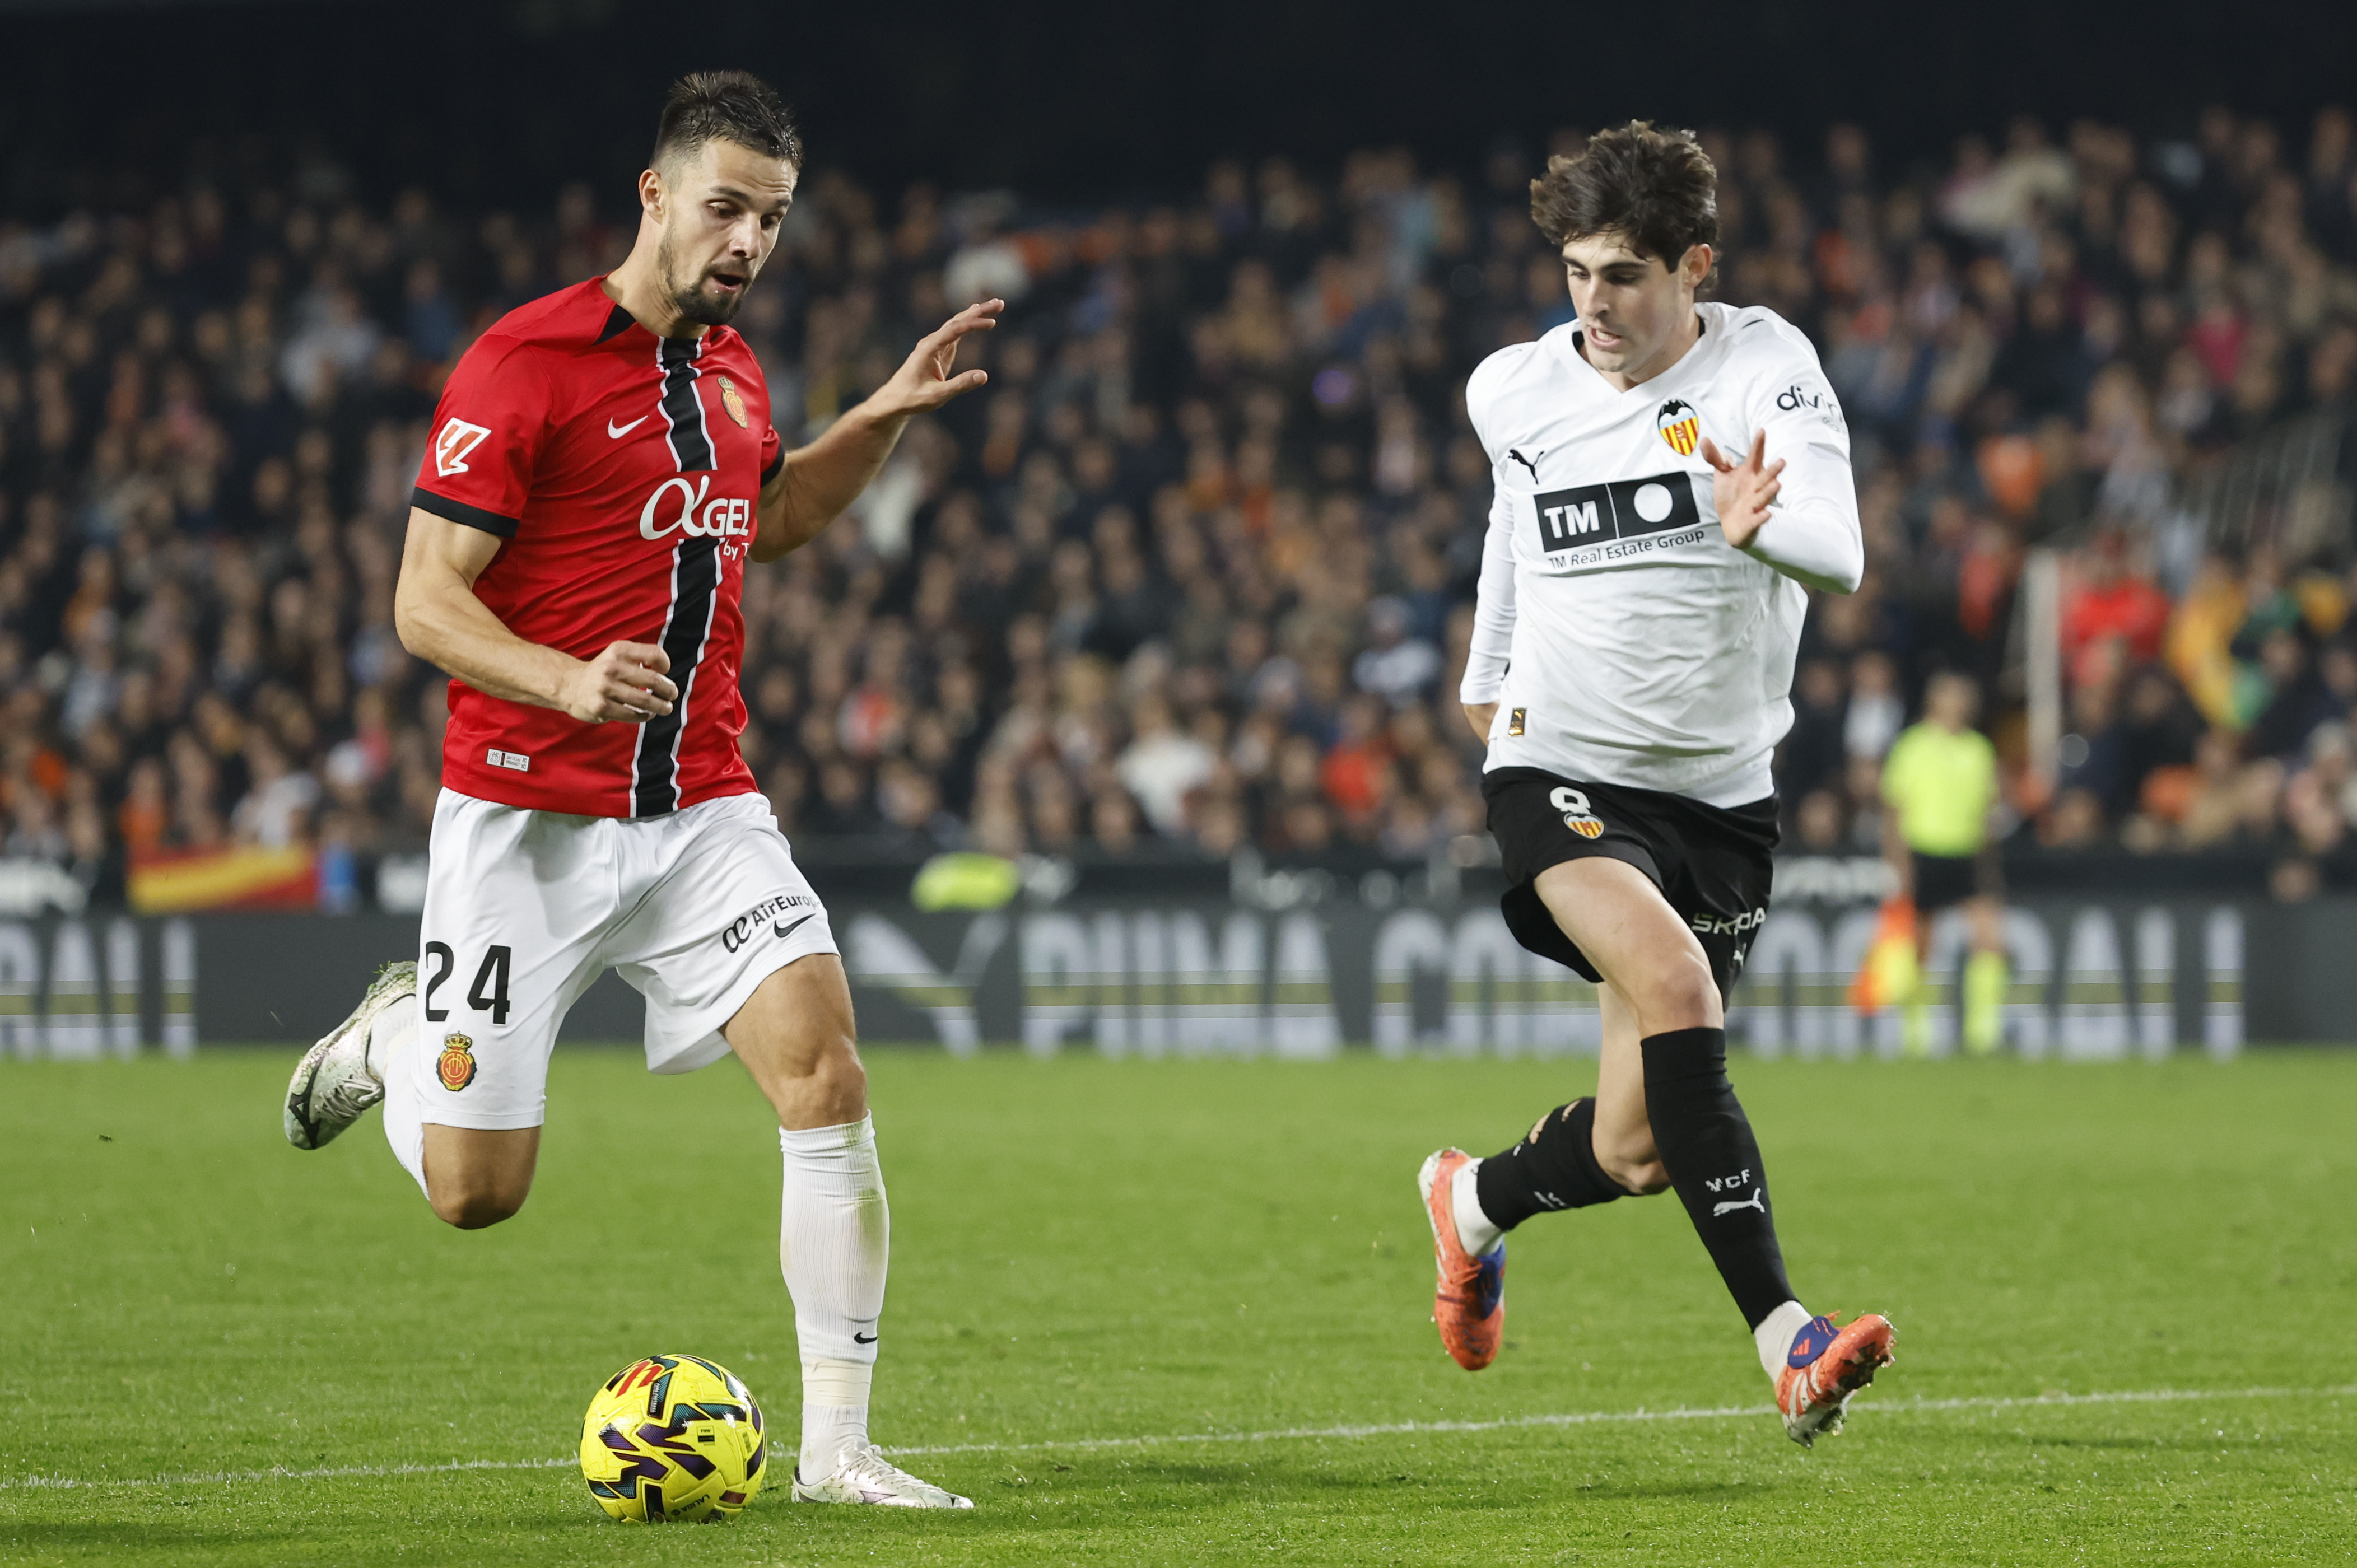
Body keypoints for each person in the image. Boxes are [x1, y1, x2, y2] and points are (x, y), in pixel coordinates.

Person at [280, 71, 996, 1509]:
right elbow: (424, 600)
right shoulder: (523, 362)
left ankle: (839, 1452)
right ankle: (399, 1037)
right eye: (726, 207)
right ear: (656, 194)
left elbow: (771, 516)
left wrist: (881, 416)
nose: (750, 241)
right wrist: (562, 678)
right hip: (525, 816)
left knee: (827, 1075)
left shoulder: (734, 373)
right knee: (477, 1195)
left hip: (701, 807)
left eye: (773, 219)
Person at [1417, 122, 1894, 1447]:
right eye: (1575, 272)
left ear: (1694, 267)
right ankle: (1787, 1340)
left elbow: (1842, 552)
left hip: (1720, 802)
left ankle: (1470, 1201)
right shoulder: (1513, 387)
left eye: (1623, 275)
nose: (1594, 304)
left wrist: (1763, 526)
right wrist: (1487, 672)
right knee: (1680, 988)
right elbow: (1516, 519)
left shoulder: (1764, 369)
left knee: (1635, 1149)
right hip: (1560, 765)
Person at [1880, 671, 2009, 1054]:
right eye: (1950, 695)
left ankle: (1983, 1032)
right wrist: (1899, 865)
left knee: (1990, 940)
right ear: (1934, 701)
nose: (1957, 703)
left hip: (1966, 853)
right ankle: (1916, 1032)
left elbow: (1987, 814)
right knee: (1921, 947)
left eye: (1962, 696)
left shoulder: (1979, 750)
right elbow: (1894, 811)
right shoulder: (1913, 746)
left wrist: (1990, 865)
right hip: (1924, 851)